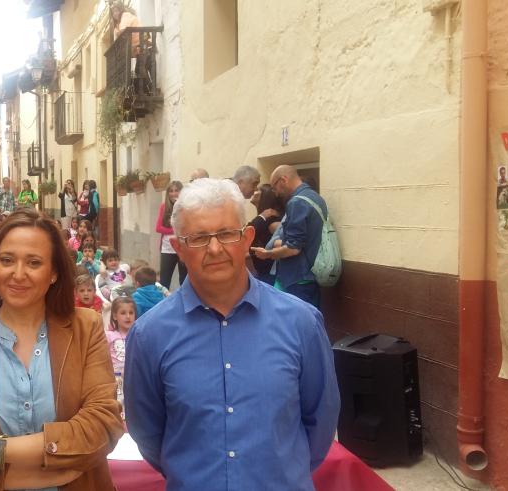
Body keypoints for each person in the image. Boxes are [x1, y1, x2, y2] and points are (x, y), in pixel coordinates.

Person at [124, 178, 339, 490]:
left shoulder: (301, 322)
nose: (214, 248)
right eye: (198, 238)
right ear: (178, 248)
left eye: (226, 234)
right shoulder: (149, 335)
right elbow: (147, 433)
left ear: (247, 237)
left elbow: (321, 422)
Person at [0, 208, 123, 490]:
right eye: (7, 260)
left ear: (54, 272)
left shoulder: (85, 328)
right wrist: (53, 472)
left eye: (34, 262)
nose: (18, 274)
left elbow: (102, 426)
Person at [251, 165, 329, 308]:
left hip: (296, 279)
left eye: (274, 187)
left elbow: (293, 248)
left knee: (295, 325)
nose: (275, 193)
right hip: (310, 276)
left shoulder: (297, 202)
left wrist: (268, 253)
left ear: (283, 180)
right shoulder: (316, 198)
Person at [248, 184, 283, 285]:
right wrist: (262, 216)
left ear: (265, 197)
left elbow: (248, 231)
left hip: (270, 275)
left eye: (258, 189)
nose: (254, 190)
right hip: (262, 273)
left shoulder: (273, 223)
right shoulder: (263, 218)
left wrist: (262, 217)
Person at [156, 180, 185, 289]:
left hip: (182, 247)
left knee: (184, 279)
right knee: (164, 281)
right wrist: (176, 230)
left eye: (176, 191)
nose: (173, 194)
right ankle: (163, 303)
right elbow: (158, 228)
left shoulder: (186, 207)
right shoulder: (164, 207)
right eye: (171, 191)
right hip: (167, 248)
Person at [106, 296, 136, 377]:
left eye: (131, 313)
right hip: (114, 377)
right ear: (115, 316)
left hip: (134, 377)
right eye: (123, 313)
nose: (128, 316)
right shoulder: (109, 336)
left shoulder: (138, 336)